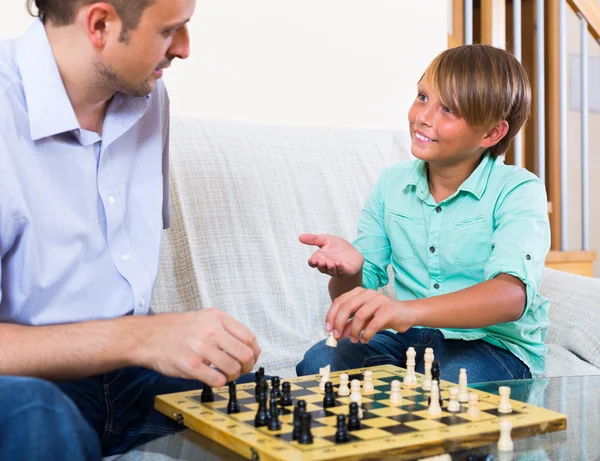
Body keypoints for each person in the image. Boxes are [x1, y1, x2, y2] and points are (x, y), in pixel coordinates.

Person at [0, 1, 261, 459]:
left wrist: (181, 341)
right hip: (26, 385)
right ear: (100, 24)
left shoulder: (147, 96)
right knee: (37, 418)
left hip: (123, 375)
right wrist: (145, 338)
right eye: (170, 30)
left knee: (251, 400)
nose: (184, 49)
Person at [296, 44, 550, 384]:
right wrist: (350, 271)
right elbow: (350, 300)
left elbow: (511, 296)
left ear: (491, 133)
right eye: (422, 96)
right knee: (322, 362)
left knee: (452, 384)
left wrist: (406, 311)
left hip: (490, 344)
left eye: (448, 109)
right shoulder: (391, 184)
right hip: (408, 337)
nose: (424, 117)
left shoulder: (518, 190)